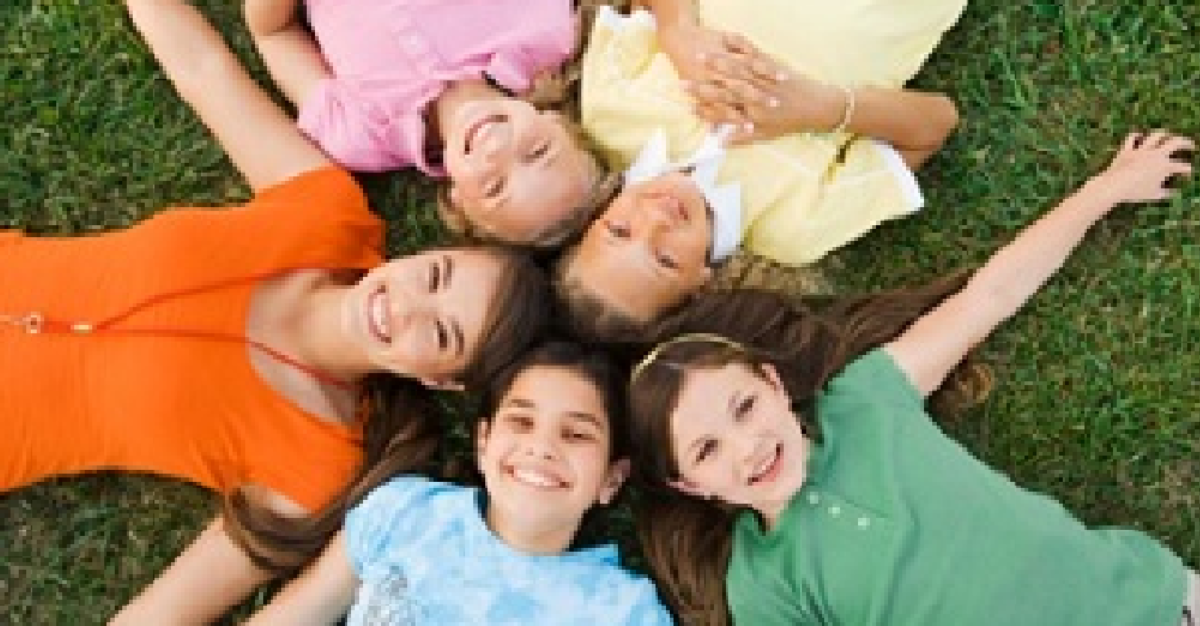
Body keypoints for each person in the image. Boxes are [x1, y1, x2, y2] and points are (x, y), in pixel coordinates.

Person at [0, 0, 551, 622]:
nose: (406, 306)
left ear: (441, 379)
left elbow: (159, 614)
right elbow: (204, 70)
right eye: (434, 276)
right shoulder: (327, 216)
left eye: (443, 333)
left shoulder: (312, 462)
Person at [624, 130, 1195, 624]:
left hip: (1153, 605)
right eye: (706, 450)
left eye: (744, 407)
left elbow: (990, 296)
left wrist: (1106, 190)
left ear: (773, 385)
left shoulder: (866, 399)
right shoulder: (762, 588)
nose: (747, 448)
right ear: (691, 486)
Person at [557, 0, 965, 339]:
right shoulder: (794, 227)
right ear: (701, 285)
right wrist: (821, 108)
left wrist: (676, 31)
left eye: (619, 231)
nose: (656, 221)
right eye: (665, 259)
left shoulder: (611, 115)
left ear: (595, 218)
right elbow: (935, 123)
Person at [242, 341, 675, 625]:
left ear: (611, 480)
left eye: (576, 434)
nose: (541, 447)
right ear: (484, 443)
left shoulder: (620, 611)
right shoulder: (406, 513)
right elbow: (297, 613)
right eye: (521, 421)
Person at [241, 0, 618, 247]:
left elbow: (272, 32)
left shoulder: (363, 135)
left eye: (494, 186)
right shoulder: (545, 35)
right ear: (559, 122)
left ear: (459, 203)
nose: (497, 151)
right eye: (538, 152)